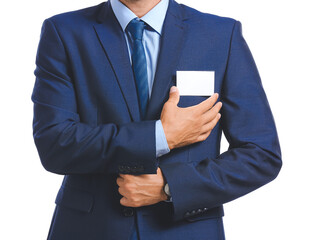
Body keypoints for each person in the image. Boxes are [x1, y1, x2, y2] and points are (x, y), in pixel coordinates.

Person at [31, 0, 282, 239]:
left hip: (186, 230)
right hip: (91, 229)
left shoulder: (220, 35)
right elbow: (54, 144)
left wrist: (170, 186)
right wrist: (161, 136)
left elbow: (260, 155)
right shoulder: (64, 32)